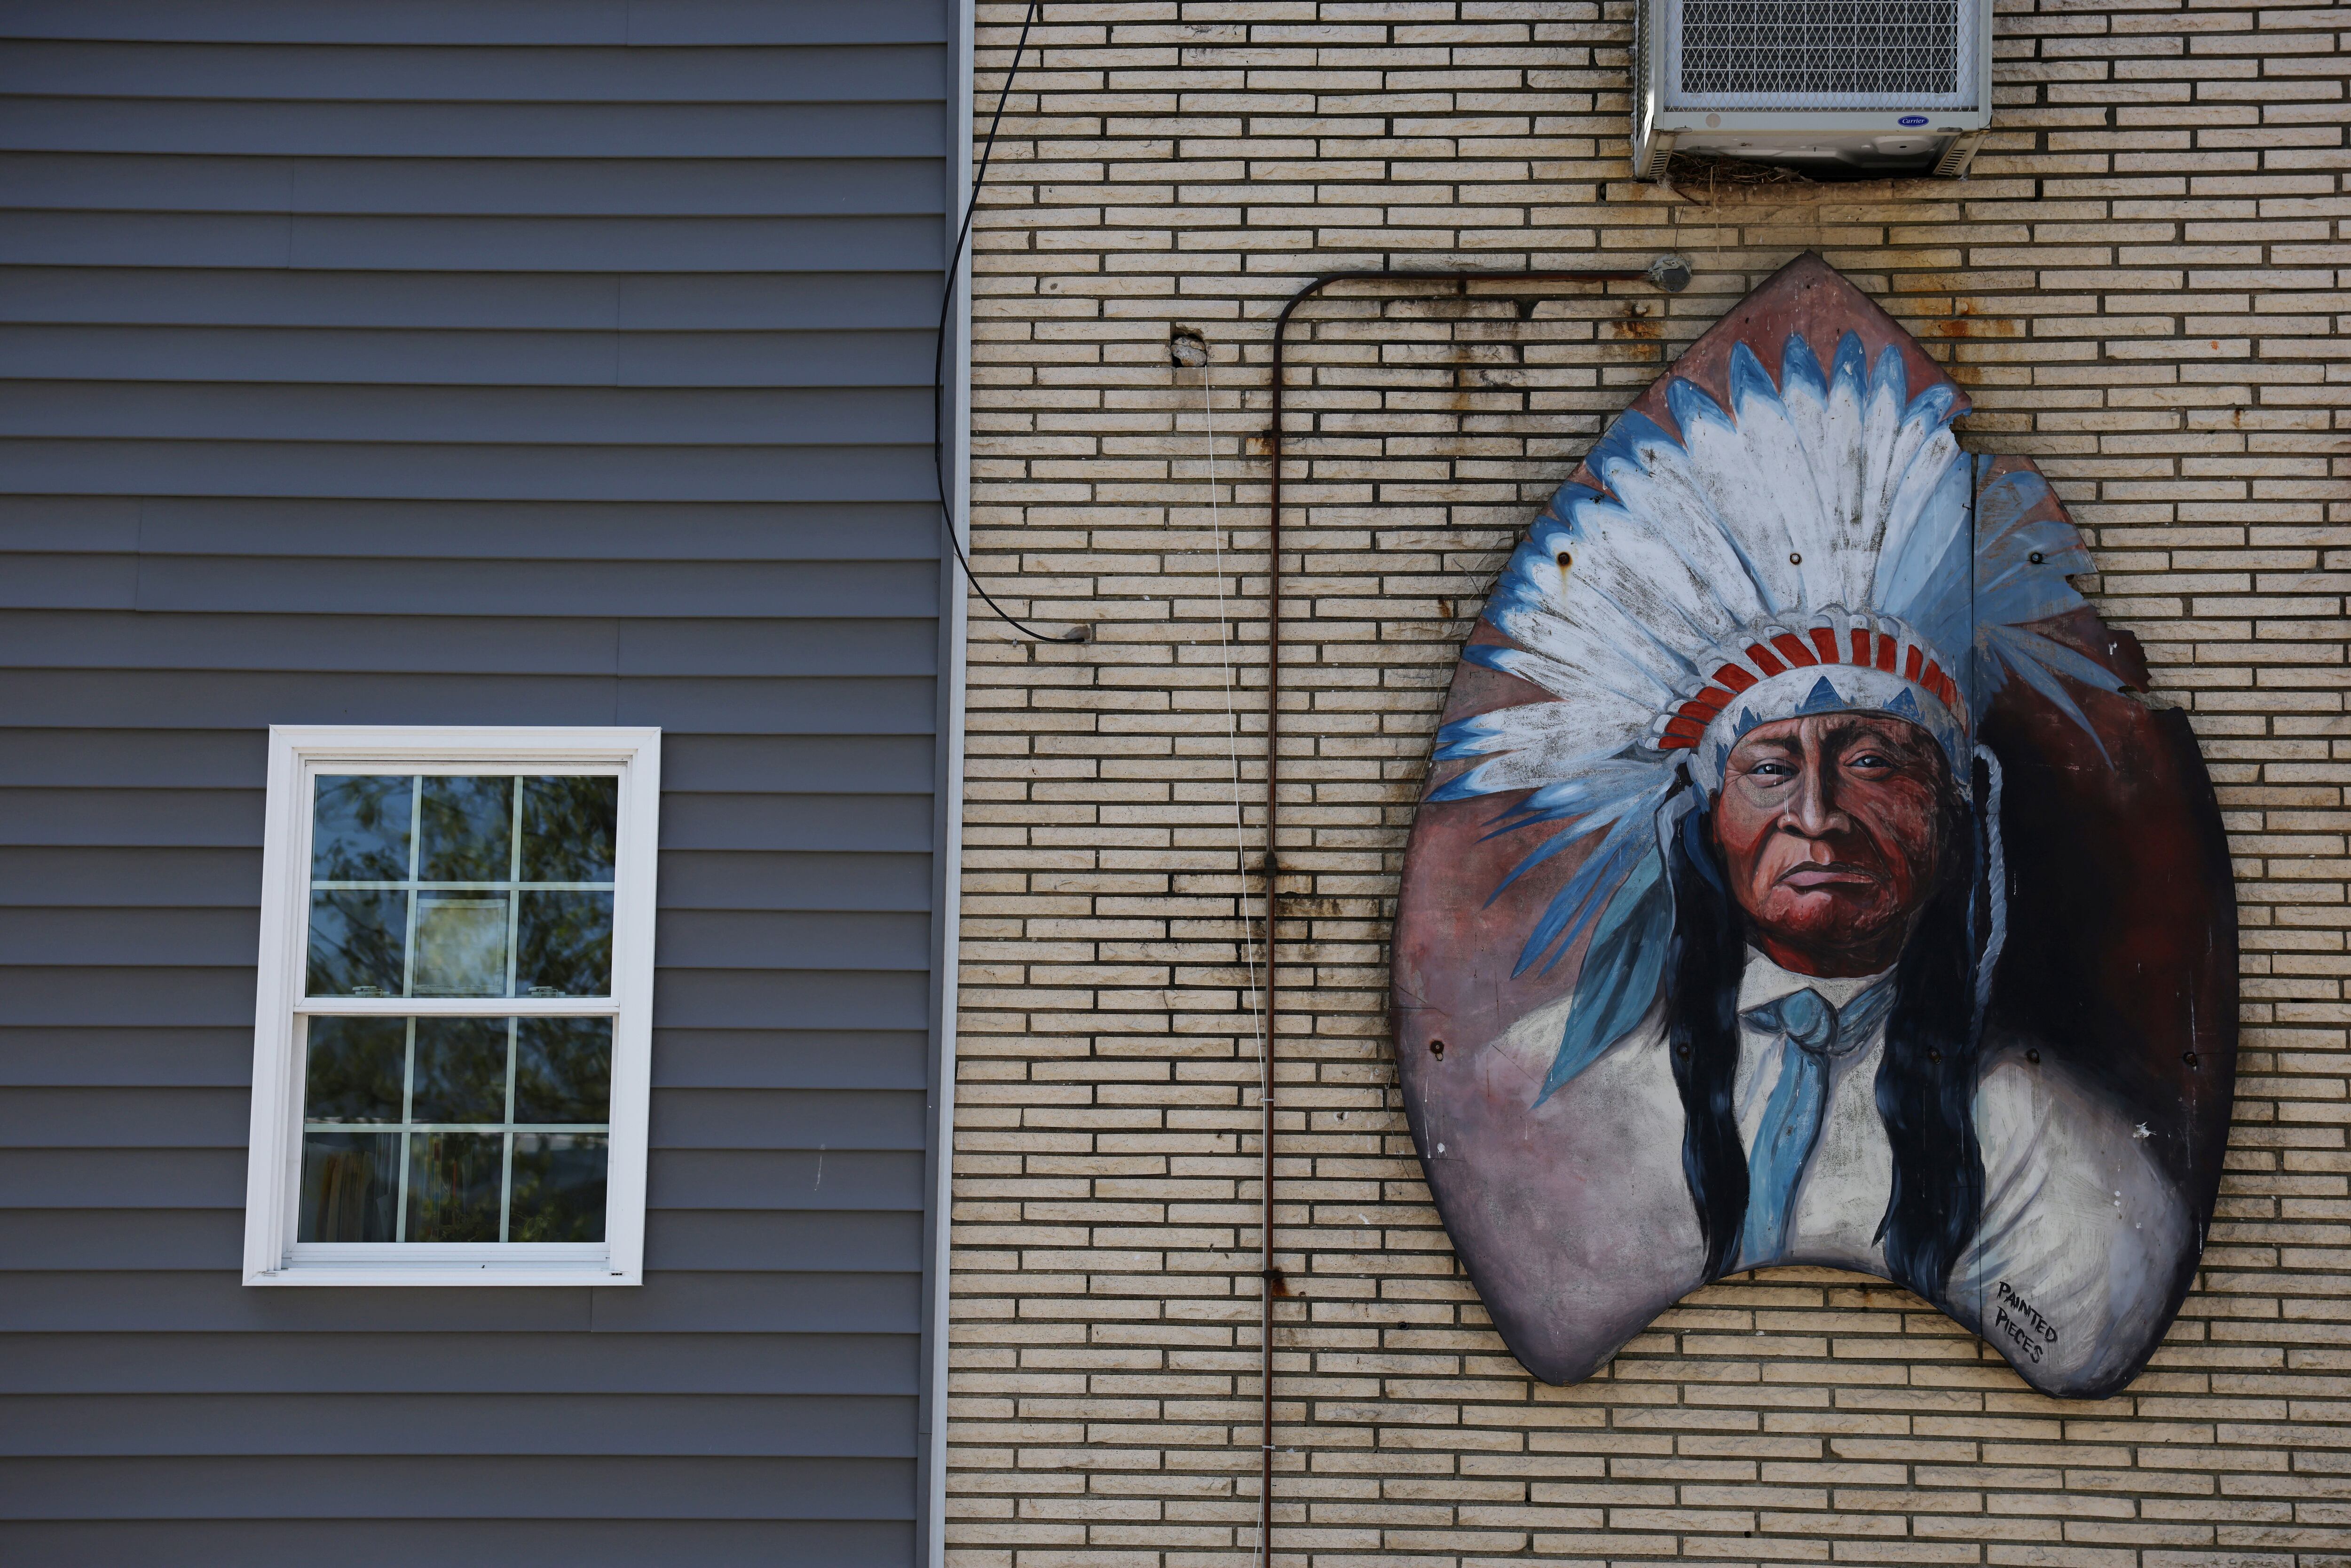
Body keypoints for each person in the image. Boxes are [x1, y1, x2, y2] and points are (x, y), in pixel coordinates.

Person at [1421, 322, 2202, 1396]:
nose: (1820, 817)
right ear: (1698, 822)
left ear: (1959, 806)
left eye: (1875, 758)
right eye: (1769, 768)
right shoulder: (1537, 1094)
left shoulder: (2060, 1160)